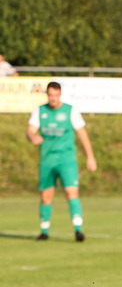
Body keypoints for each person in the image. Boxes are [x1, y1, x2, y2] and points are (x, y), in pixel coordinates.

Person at [26, 81, 97, 241]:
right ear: (47, 95)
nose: (53, 98)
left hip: (66, 160)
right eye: (50, 95)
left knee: (71, 192)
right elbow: (30, 130)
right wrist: (32, 136)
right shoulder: (40, 111)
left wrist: (90, 157)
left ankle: (78, 230)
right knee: (46, 196)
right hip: (47, 160)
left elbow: (82, 134)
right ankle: (44, 232)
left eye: (56, 95)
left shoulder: (70, 111)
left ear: (60, 95)